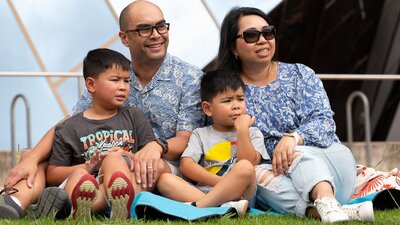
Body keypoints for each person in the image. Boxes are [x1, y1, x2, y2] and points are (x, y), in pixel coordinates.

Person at [2, 0, 203, 219]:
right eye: (145, 29)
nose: (156, 34)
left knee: (134, 166)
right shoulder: (112, 74)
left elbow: (187, 138)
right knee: (40, 157)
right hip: (100, 163)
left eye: (161, 26)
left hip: (158, 164)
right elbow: (71, 122)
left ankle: (68, 207)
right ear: (124, 38)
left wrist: (157, 147)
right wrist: (32, 157)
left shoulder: (189, 77)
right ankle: (13, 203)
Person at [213, 6, 374, 223]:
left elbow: (325, 122)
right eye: (252, 35)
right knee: (258, 177)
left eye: (268, 32)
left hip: (327, 162)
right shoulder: (225, 91)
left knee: (297, 155)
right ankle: (329, 211)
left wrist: (292, 139)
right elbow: (216, 135)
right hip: (275, 176)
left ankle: (326, 198)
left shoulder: (300, 74)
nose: (262, 40)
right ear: (233, 47)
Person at [47, 48, 167, 220]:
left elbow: (147, 157)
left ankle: (95, 208)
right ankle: (99, 207)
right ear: (91, 85)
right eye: (115, 80)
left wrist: (124, 156)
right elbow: (52, 175)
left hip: (128, 180)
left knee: (117, 159)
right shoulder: (69, 128)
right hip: (90, 184)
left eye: (126, 81)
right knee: (80, 177)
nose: (123, 87)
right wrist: (88, 167)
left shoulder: (134, 116)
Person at [157, 69, 271, 217]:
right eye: (227, 101)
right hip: (205, 191)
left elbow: (249, 162)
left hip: (240, 194)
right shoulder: (200, 134)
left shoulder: (252, 133)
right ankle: (221, 209)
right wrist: (220, 182)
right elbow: (186, 165)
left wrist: (242, 130)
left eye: (240, 99)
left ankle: (197, 207)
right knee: (164, 179)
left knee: (244, 167)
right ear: (208, 108)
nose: (236, 106)